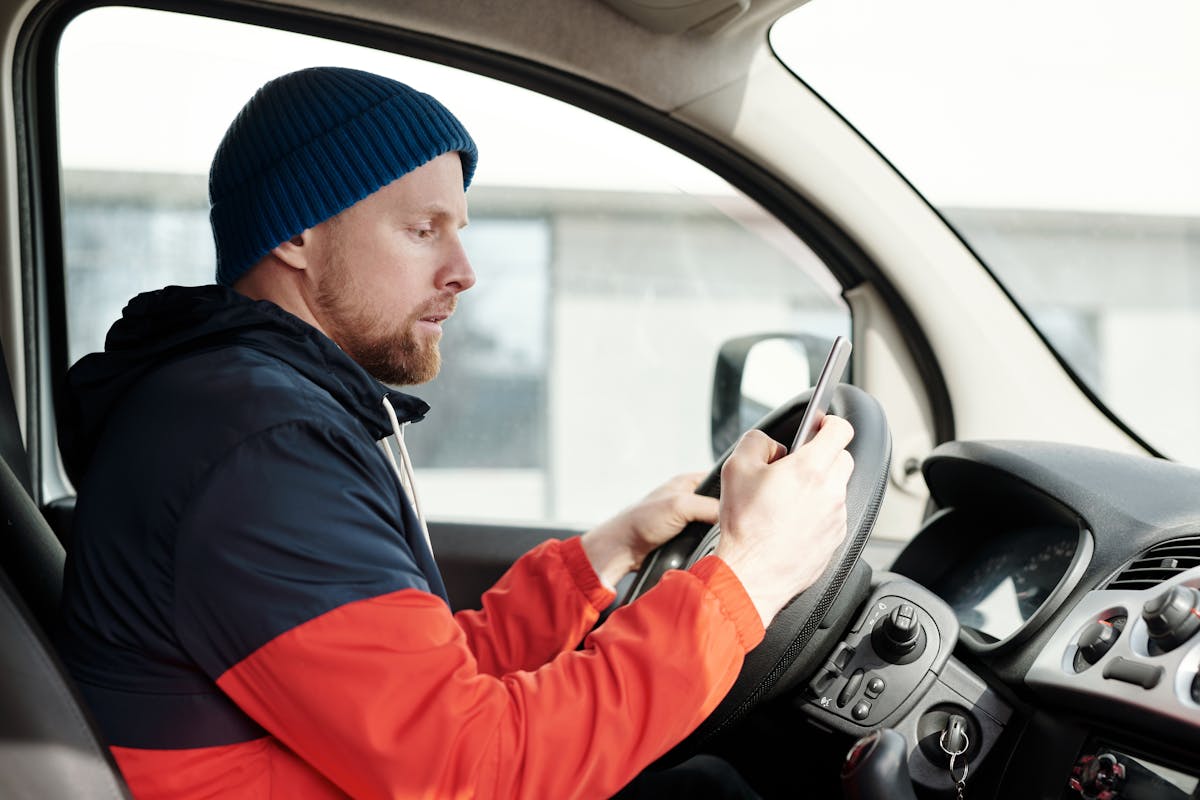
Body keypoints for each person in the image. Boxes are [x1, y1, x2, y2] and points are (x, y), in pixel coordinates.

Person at [57, 67, 855, 799]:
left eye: (459, 228)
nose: (464, 271)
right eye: (422, 230)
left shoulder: (244, 412)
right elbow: (470, 770)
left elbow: (407, 681)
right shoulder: (257, 450)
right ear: (297, 234)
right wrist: (750, 575)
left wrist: (604, 555)